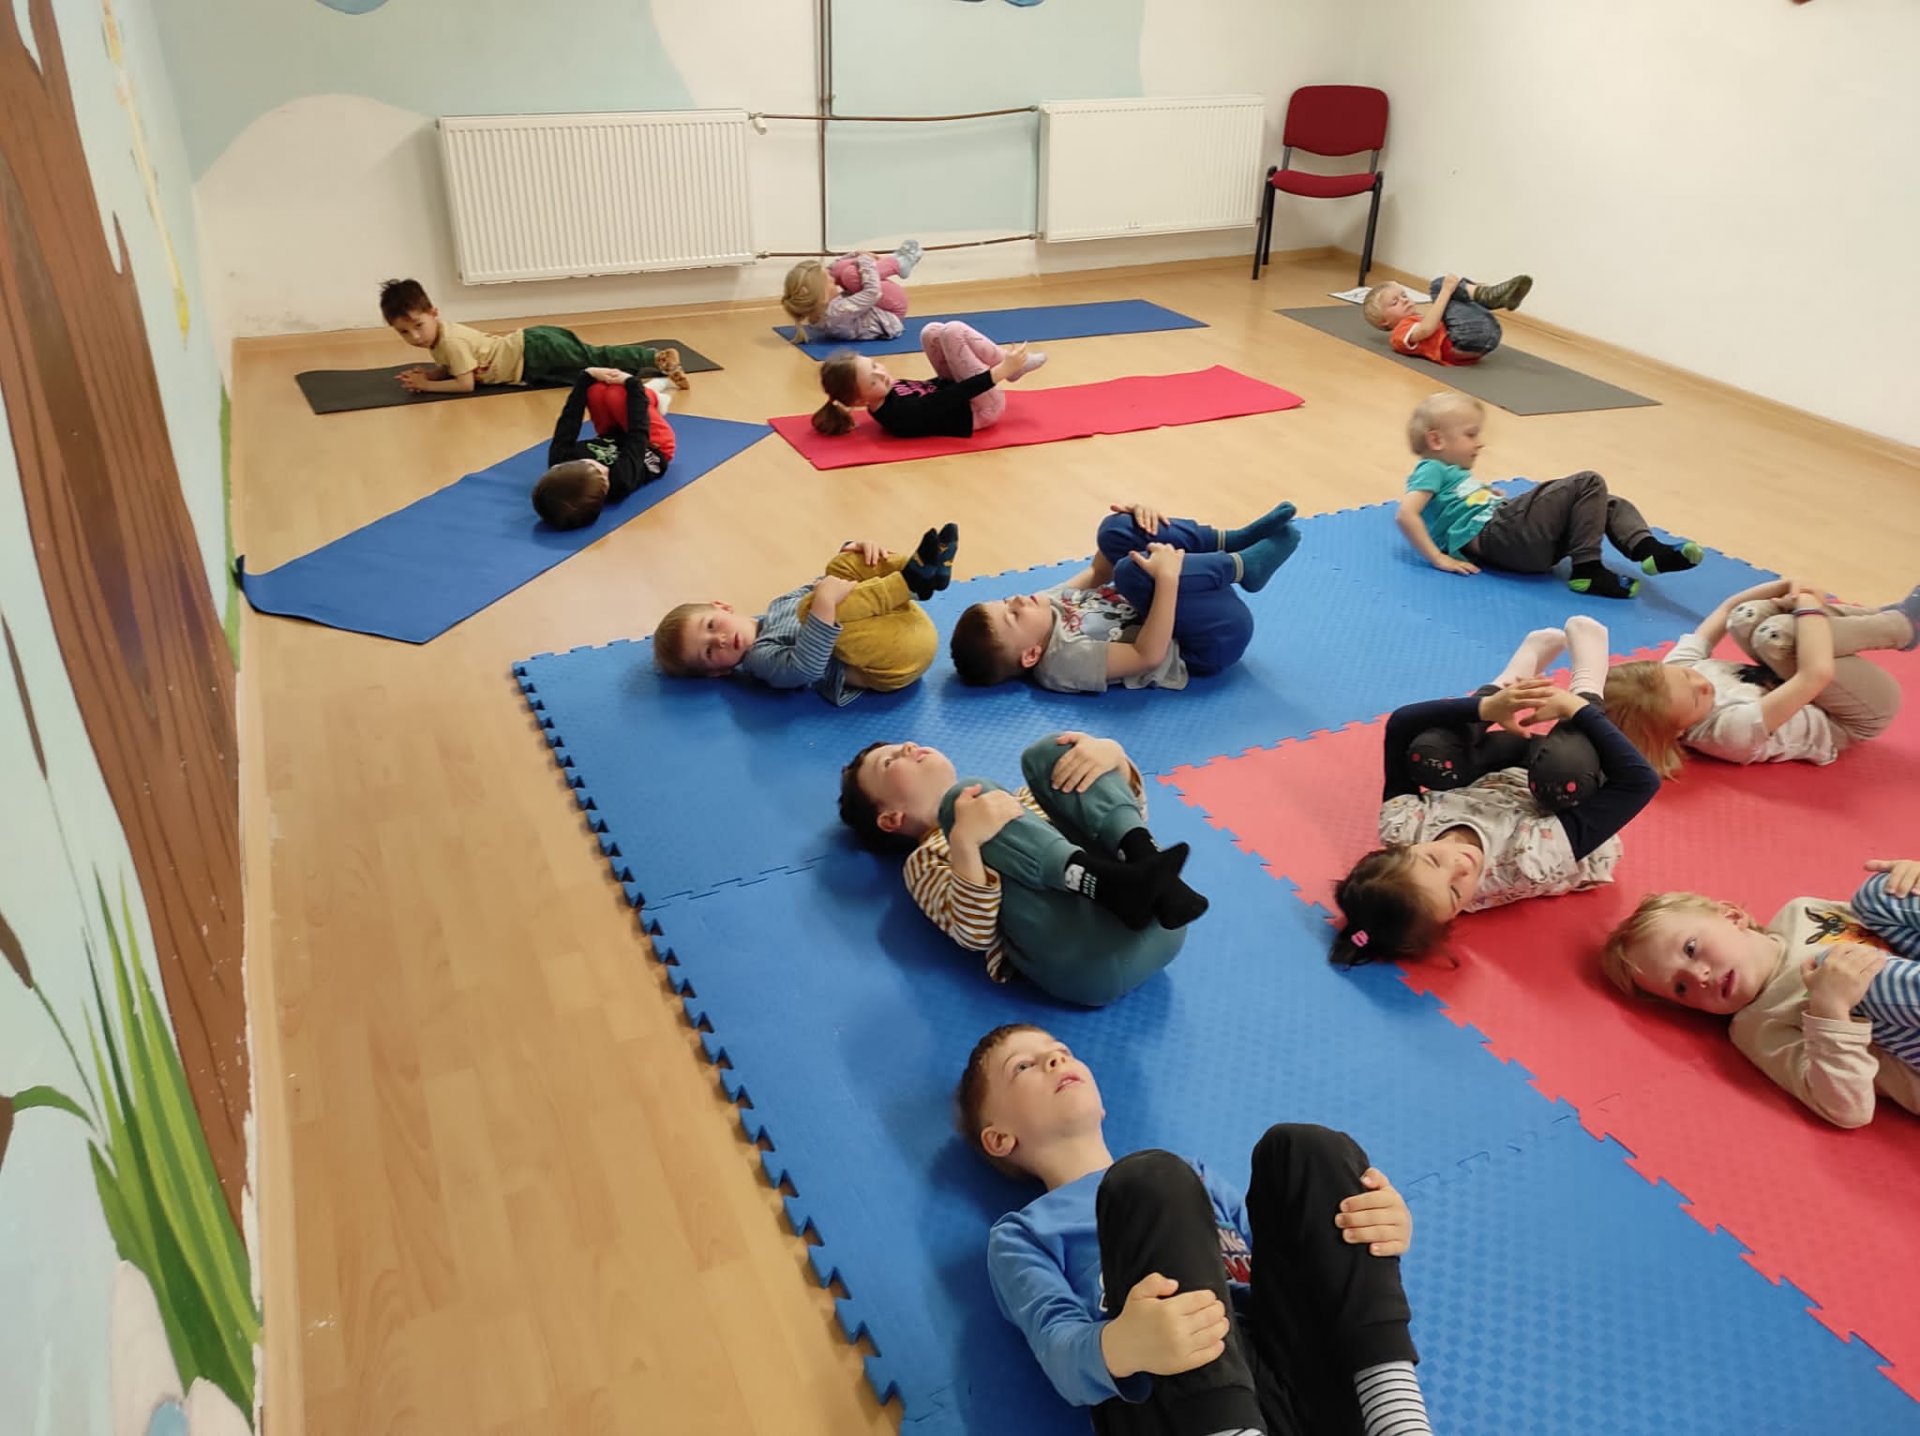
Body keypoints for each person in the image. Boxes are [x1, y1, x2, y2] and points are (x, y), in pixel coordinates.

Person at [961, 1023, 1431, 1436]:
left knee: (1305, 1150)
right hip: (1182, 1406)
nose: (1054, 1059)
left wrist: (1377, 1225)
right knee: (1148, 1180)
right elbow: (1058, 1349)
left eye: (1060, 1050)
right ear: (999, 1138)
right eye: (1023, 1066)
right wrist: (1123, 1344)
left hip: (1304, 1385)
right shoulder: (1023, 1234)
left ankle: (1398, 1419)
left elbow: (1296, 1258)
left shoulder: (1193, 1176)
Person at [1331, 616, 1660, 966]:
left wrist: (1487, 708)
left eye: (1434, 860)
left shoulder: (1402, 826)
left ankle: (1513, 677)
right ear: (1455, 915)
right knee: (1562, 778)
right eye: (1455, 892)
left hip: (1500, 774)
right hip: (1564, 795)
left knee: (1426, 755)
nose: (1461, 865)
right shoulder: (1526, 861)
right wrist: (1577, 708)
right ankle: (1590, 678)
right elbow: (1641, 782)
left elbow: (1400, 724)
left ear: (1402, 847)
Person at [839, 732, 1206, 1006]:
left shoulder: (1021, 800)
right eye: (889, 762)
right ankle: (1107, 882)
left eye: (901, 745)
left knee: (1050, 753)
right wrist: (966, 842)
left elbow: (1120, 818)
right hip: (1086, 958)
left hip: (1165, 914)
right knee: (966, 801)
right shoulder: (924, 859)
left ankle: (1147, 864)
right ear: (891, 819)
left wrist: (1114, 758)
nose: (907, 746)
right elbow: (973, 934)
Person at [1601, 859, 1920, 1128]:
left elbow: (1896, 924)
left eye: (1691, 949)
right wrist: (1831, 1008)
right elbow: (1846, 1109)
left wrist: (1913, 876)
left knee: (1878, 892)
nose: (1699, 976)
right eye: (1681, 988)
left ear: (1732, 916)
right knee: (1839, 973)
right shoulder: (1758, 1025)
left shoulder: (1803, 910)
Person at [948, 501, 1300, 693]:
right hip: (1213, 638)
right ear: (1031, 655)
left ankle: (1230, 541)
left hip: (1192, 594)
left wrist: (1136, 522)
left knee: (1113, 531)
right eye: (1013, 616)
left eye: (1006, 601)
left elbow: (1097, 571)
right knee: (1132, 573)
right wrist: (1167, 579)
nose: (1017, 600)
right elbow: (1146, 655)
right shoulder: (1063, 661)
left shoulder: (1046, 607)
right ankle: (1242, 567)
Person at [1396, 392, 1702, 600]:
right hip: (1500, 538)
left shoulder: (1453, 473)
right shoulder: (1431, 467)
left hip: (1522, 551)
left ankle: (1649, 550)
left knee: (1604, 504)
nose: (1480, 443)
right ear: (1436, 440)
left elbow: (1455, 506)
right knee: (1588, 483)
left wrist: (1488, 494)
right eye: (1471, 434)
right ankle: (1588, 570)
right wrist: (1437, 558)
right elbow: (1406, 514)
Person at [1603, 577, 1919, 777]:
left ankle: (1892, 619)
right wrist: (1808, 605)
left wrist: (1788, 586)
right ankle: (1903, 626)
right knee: (1780, 635)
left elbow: (1727, 609)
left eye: (1687, 674)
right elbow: (1815, 675)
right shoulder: (1727, 733)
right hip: (1857, 714)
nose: (1701, 682)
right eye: (1697, 698)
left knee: (1747, 616)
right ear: (1678, 730)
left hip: (1809, 683)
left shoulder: (1671, 679)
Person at [652, 527, 959, 705]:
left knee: (837, 567)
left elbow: (828, 582)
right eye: (708, 652)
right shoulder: (760, 659)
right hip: (898, 657)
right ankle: (910, 582)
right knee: (814, 605)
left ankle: (923, 570)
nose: (719, 640)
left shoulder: (778, 605)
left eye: (710, 626)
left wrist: (854, 551)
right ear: (716, 673)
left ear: (722, 606)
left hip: (901, 622)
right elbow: (807, 668)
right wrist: (824, 603)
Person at [378, 277, 688, 395]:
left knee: (593, 358)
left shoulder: (450, 341)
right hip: (532, 358)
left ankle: (655, 358)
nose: (414, 336)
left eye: (418, 325)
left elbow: (465, 384)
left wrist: (428, 385)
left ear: (433, 313)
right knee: (585, 375)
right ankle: (638, 378)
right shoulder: (440, 338)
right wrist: (432, 373)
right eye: (404, 332)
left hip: (535, 350)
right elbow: (453, 365)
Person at [810, 321, 1045, 438]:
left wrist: (955, 366)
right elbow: (952, 395)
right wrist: (1002, 370)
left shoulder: (883, 394)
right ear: (861, 401)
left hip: (964, 397)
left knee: (931, 332)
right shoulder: (900, 414)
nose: (882, 374)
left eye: (874, 366)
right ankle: (1015, 368)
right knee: (953, 331)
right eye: (873, 381)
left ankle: (1013, 367)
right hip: (980, 409)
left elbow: (933, 387)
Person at [531, 366, 677, 530]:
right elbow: (638, 435)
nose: (606, 469)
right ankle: (655, 397)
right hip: (655, 444)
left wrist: (586, 377)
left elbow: (569, 422)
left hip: (613, 434)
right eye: (605, 477)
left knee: (595, 391)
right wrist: (633, 384)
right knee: (617, 395)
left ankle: (645, 395)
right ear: (606, 488)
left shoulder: (559, 458)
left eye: (593, 466)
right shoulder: (620, 481)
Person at [1363, 272, 1532, 365]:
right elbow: (1426, 329)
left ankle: (1489, 294)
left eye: (1404, 295)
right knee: (1438, 285)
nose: (1404, 300)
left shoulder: (1415, 320)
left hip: (1484, 337)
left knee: (1451, 290)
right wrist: (1445, 291)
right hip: (1463, 341)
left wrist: (1451, 291)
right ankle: (1487, 296)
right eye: (1395, 302)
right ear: (1384, 321)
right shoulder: (1399, 333)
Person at [780, 241, 923, 343]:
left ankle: (896, 262)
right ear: (823, 296)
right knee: (851, 275)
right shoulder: (837, 311)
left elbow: (832, 268)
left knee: (838, 269)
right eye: (829, 280)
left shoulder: (815, 309)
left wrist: (855, 255)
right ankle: (898, 264)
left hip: (875, 307)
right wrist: (865, 260)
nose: (833, 279)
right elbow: (873, 292)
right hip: (891, 314)